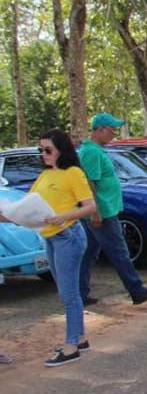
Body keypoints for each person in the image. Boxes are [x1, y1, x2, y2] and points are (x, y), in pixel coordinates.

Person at [0, 130, 97, 366]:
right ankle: (79, 338)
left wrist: (62, 216)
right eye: (40, 150)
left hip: (68, 236)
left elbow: (90, 206)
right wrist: (9, 215)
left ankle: (71, 345)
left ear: (61, 150)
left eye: (48, 150)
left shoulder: (73, 173)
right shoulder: (45, 175)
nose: (43, 154)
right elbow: (28, 206)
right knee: (66, 291)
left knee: (69, 293)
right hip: (51, 237)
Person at [78, 113, 147, 306]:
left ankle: (80, 293)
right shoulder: (91, 152)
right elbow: (89, 182)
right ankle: (136, 289)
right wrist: (95, 211)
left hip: (105, 209)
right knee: (119, 251)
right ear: (100, 129)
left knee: (89, 253)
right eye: (111, 130)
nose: (114, 134)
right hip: (103, 211)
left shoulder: (96, 150)